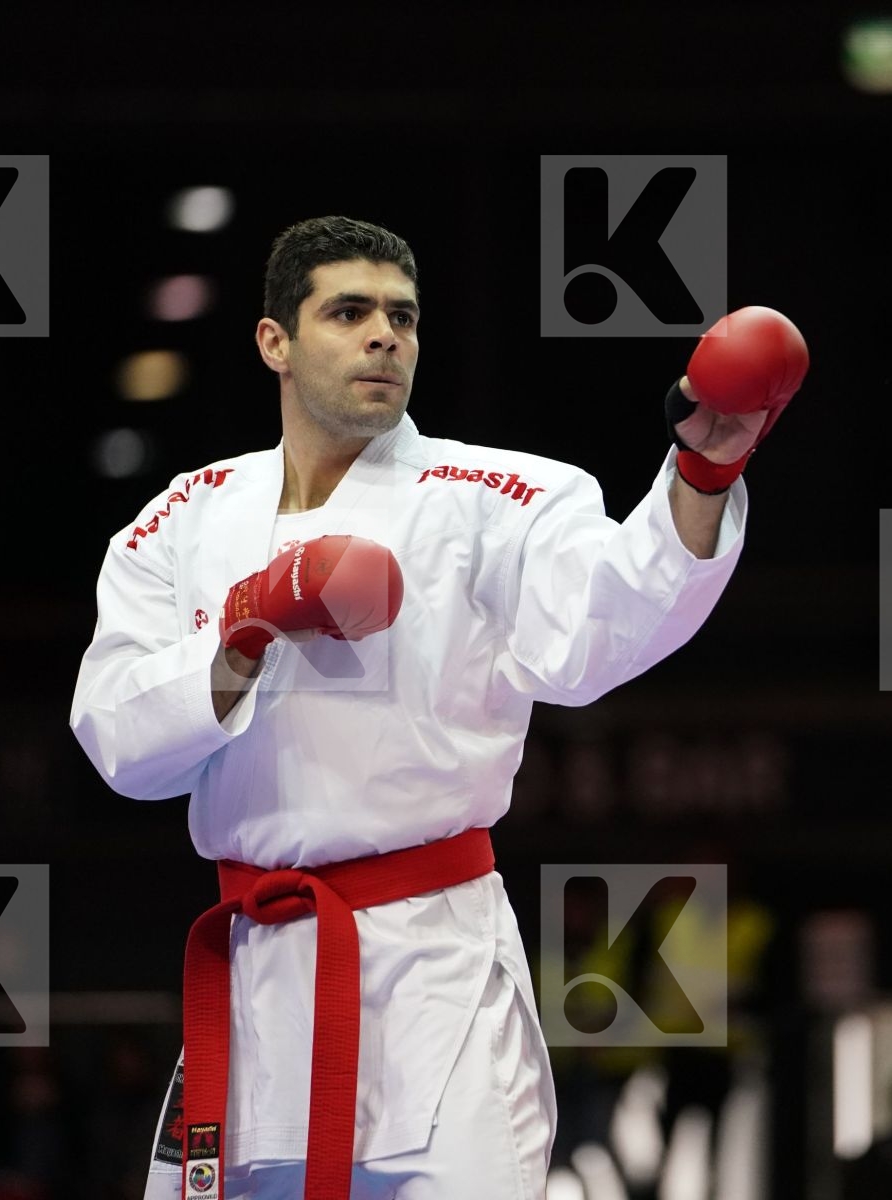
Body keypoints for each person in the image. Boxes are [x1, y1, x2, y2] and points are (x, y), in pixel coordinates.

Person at [69, 215, 807, 1199]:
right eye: (349, 313)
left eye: (403, 317)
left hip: (433, 977)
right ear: (274, 341)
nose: (385, 335)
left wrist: (704, 474)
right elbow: (118, 741)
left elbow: (604, 626)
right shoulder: (181, 519)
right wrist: (244, 630)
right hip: (253, 979)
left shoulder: (499, 497)